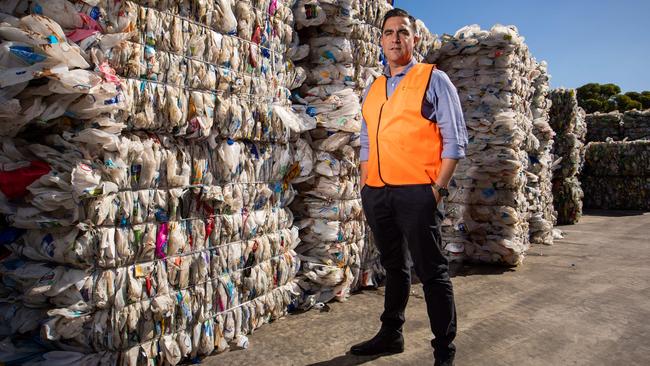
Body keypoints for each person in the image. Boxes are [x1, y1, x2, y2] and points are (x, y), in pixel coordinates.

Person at [349, 8, 468, 366]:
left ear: (414, 39)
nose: (395, 38)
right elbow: (366, 140)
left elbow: (455, 140)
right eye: (388, 32)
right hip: (378, 191)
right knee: (393, 265)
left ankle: (444, 352)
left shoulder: (433, 79)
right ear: (381, 40)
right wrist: (365, 183)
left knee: (431, 272)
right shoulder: (375, 87)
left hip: (418, 191)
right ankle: (391, 334)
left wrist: (437, 190)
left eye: (403, 32)